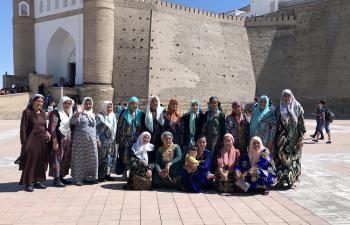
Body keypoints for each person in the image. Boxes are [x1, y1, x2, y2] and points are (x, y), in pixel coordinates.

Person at [274, 89, 306, 188]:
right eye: (284, 96)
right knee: (280, 159)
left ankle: (291, 180)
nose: (286, 97)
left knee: (293, 159)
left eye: (288, 95)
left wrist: (301, 138)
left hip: (294, 140)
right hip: (281, 140)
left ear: (291, 96)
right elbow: (275, 123)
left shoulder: (298, 108)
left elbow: (301, 124)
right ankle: (280, 180)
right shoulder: (278, 108)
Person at [19, 94, 50, 192]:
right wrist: (24, 143)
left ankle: (38, 181)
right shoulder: (27, 112)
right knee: (31, 161)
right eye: (38, 101)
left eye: (41, 101)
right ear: (33, 101)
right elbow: (23, 128)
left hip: (42, 142)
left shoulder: (42, 112)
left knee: (40, 161)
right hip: (31, 142)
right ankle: (28, 183)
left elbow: (44, 126)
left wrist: (47, 132)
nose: (39, 103)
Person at [70, 97, 98, 186]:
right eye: (86, 104)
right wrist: (77, 114)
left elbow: (95, 128)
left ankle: (89, 177)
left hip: (91, 141)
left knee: (91, 158)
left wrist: (97, 138)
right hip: (80, 141)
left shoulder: (93, 114)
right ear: (83, 104)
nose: (88, 105)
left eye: (89, 104)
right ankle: (78, 179)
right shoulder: (79, 113)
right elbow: (72, 122)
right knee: (80, 159)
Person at [48, 96, 75, 187]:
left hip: (67, 138)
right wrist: (54, 141)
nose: (67, 105)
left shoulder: (69, 113)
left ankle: (61, 177)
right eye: (65, 103)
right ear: (61, 103)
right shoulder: (55, 113)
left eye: (69, 103)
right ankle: (56, 179)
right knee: (57, 158)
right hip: (59, 139)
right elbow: (52, 128)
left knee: (65, 158)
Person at [117, 96, 143, 179]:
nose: (134, 105)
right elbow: (119, 125)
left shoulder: (139, 113)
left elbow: (140, 127)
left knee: (133, 156)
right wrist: (118, 137)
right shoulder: (124, 112)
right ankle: (124, 172)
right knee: (123, 155)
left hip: (134, 139)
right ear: (129, 104)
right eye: (132, 103)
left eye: (136, 104)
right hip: (124, 138)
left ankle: (132, 173)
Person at [96, 101, 118, 182]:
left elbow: (115, 127)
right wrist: (97, 138)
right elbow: (97, 128)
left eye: (110, 107)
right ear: (104, 107)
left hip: (112, 140)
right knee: (102, 158)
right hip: (103, 140)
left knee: (110, 157)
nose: (109, 109)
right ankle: (101, 176)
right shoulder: (100, 116)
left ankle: (108, 174)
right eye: (107, 107)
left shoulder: (113, 115)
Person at [141, 95, 165, 163]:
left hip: (159, 138)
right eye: (153, 101)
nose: (155, 103)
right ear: (149, 103)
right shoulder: (145, 113)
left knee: (157, 155)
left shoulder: (162, 112)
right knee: (148, 154)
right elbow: (142, 126)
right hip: (148, 138)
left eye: (156, 101)